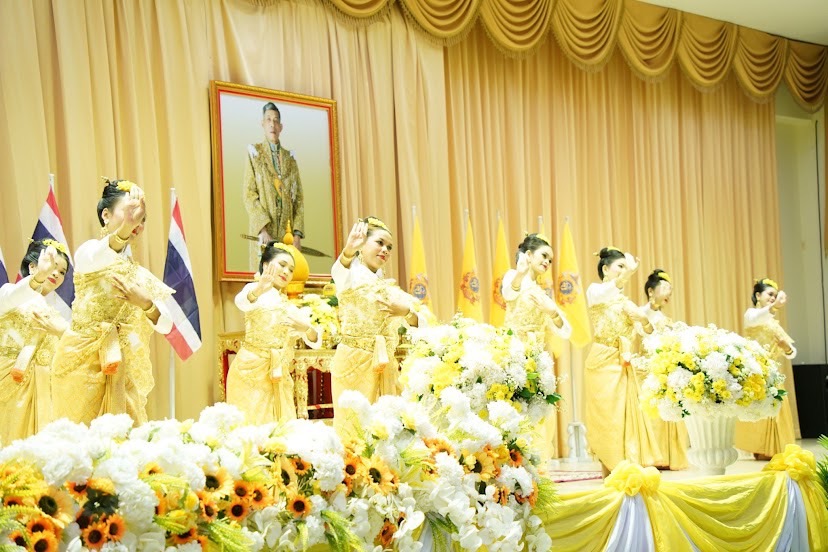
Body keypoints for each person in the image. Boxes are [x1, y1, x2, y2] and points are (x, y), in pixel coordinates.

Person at [51, 179, 173, 425]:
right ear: (105, 215)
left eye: (141, 217)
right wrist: (126, 227)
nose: (137, 221)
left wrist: (147, 305)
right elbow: (101, 255)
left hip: (121, 366)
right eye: (130, 212)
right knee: (81, 443)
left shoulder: (138, 273)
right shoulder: (89, 251)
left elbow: (166, 324)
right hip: (80, 362)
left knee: (126, 443)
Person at [330, 217, 426, 435]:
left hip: (385, 364)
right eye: (380, 243)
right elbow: (339, 270)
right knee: (353, 430)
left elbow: (420, 319)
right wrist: (347, 251)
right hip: (353, 364)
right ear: (362, 244)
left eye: (389, 247)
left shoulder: (387, 286)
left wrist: (407, 313)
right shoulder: (350, 275)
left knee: (384, 430)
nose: (385, 250)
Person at [584, 247, 662, 474]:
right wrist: (628, 273)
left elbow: (647, 331)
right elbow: (607, 292)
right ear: (605, 269)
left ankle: (623, 469)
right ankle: (608, 469)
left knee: (623, 418)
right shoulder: (595, 291)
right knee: (605, 418)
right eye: (620, 266)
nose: (623, 272)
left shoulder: (626, 303)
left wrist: (645, 321)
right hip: (601, 362)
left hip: (623, 363)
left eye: (625, 267)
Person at [227, 241, 321, 423]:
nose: (286, 272)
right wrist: (259, 289)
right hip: (249, 371)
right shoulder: (253, 290)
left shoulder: (288, 306)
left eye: (290, 269)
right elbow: (241, 302)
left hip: (278, 374)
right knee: (250, 430)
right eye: (282, 265)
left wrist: (306, 329)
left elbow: (315, 339)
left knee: (279, 432)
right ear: (265, 265)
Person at [502, 233, 572, 459]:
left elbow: (565, 329)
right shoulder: (514, 277)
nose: (547, 263)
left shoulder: (541, 294)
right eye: (544, 256)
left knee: (539, 408)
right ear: (528, 255)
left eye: (550, 260)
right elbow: (508, 293)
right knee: (516, 408)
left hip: (538, 356)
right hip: (514, 353)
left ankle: (537, 460)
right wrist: (521, 273)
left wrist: (552, 312)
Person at [0, 241, 69, 442]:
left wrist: (61, 332)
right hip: (9, 381)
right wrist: (38, 277)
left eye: (62, 271)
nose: (56, 274)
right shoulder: (8, 293)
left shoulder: (55, 315)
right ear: (32, 266)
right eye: (53, 266)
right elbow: (16, 295)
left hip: (43, 390)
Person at [735, 278, 798, 459]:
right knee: (759, 410)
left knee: (775, 408)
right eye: (770, 294)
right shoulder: (751, 315)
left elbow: (791, 352)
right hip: (755, 371)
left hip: (772, 371)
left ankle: (775, 448)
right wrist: (775, 307)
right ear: (758, 296)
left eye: (775, 296)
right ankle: (761, 448)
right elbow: (757, 317)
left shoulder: (772, 322)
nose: (773, 298)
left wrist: (787, 347)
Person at [243, 102, 305, 269]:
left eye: (276, 120)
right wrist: (262, 230)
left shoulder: (290, 159)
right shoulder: (255, 154)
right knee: (264, 281)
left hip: (287, 236)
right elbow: (249, 194)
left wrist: (297, 235)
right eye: (268, 120)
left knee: (287, 278)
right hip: (264, 235)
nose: (272, 124)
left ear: (281, 126)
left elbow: (298, 199)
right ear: (262, 124)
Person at [640, 269, 689, 470]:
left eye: (671, 290)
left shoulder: (663, 316)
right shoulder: (642, 313)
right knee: (653, 412)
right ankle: (654, 455)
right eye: (665, 288)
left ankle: (668, 456)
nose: (669, 293)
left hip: (666, 368)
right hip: (648, 368)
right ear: (651, 291)